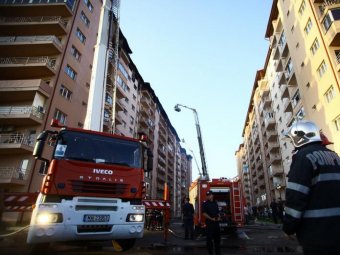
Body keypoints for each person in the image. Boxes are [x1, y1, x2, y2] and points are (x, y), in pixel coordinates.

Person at [282, 120, 340, 255]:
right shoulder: (334, 156)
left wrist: (288, 227)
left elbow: (295, 197)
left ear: (299, 138)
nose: (291, 143)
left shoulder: (303, 157)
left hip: (317, 234)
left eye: (291, 140)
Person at [202, 190, 221, 255]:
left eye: (209, 195)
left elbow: (218, 212)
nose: (208, 196)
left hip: (216, 224)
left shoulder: (215, 203)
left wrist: (218, 216)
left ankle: (218, 253)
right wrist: (211, 218)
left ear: (212, 195)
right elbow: (204, 213)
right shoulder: (205, 203)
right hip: (209, 224)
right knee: (209, 240)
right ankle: (211, 253)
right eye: (207, 195)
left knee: (217, 239)